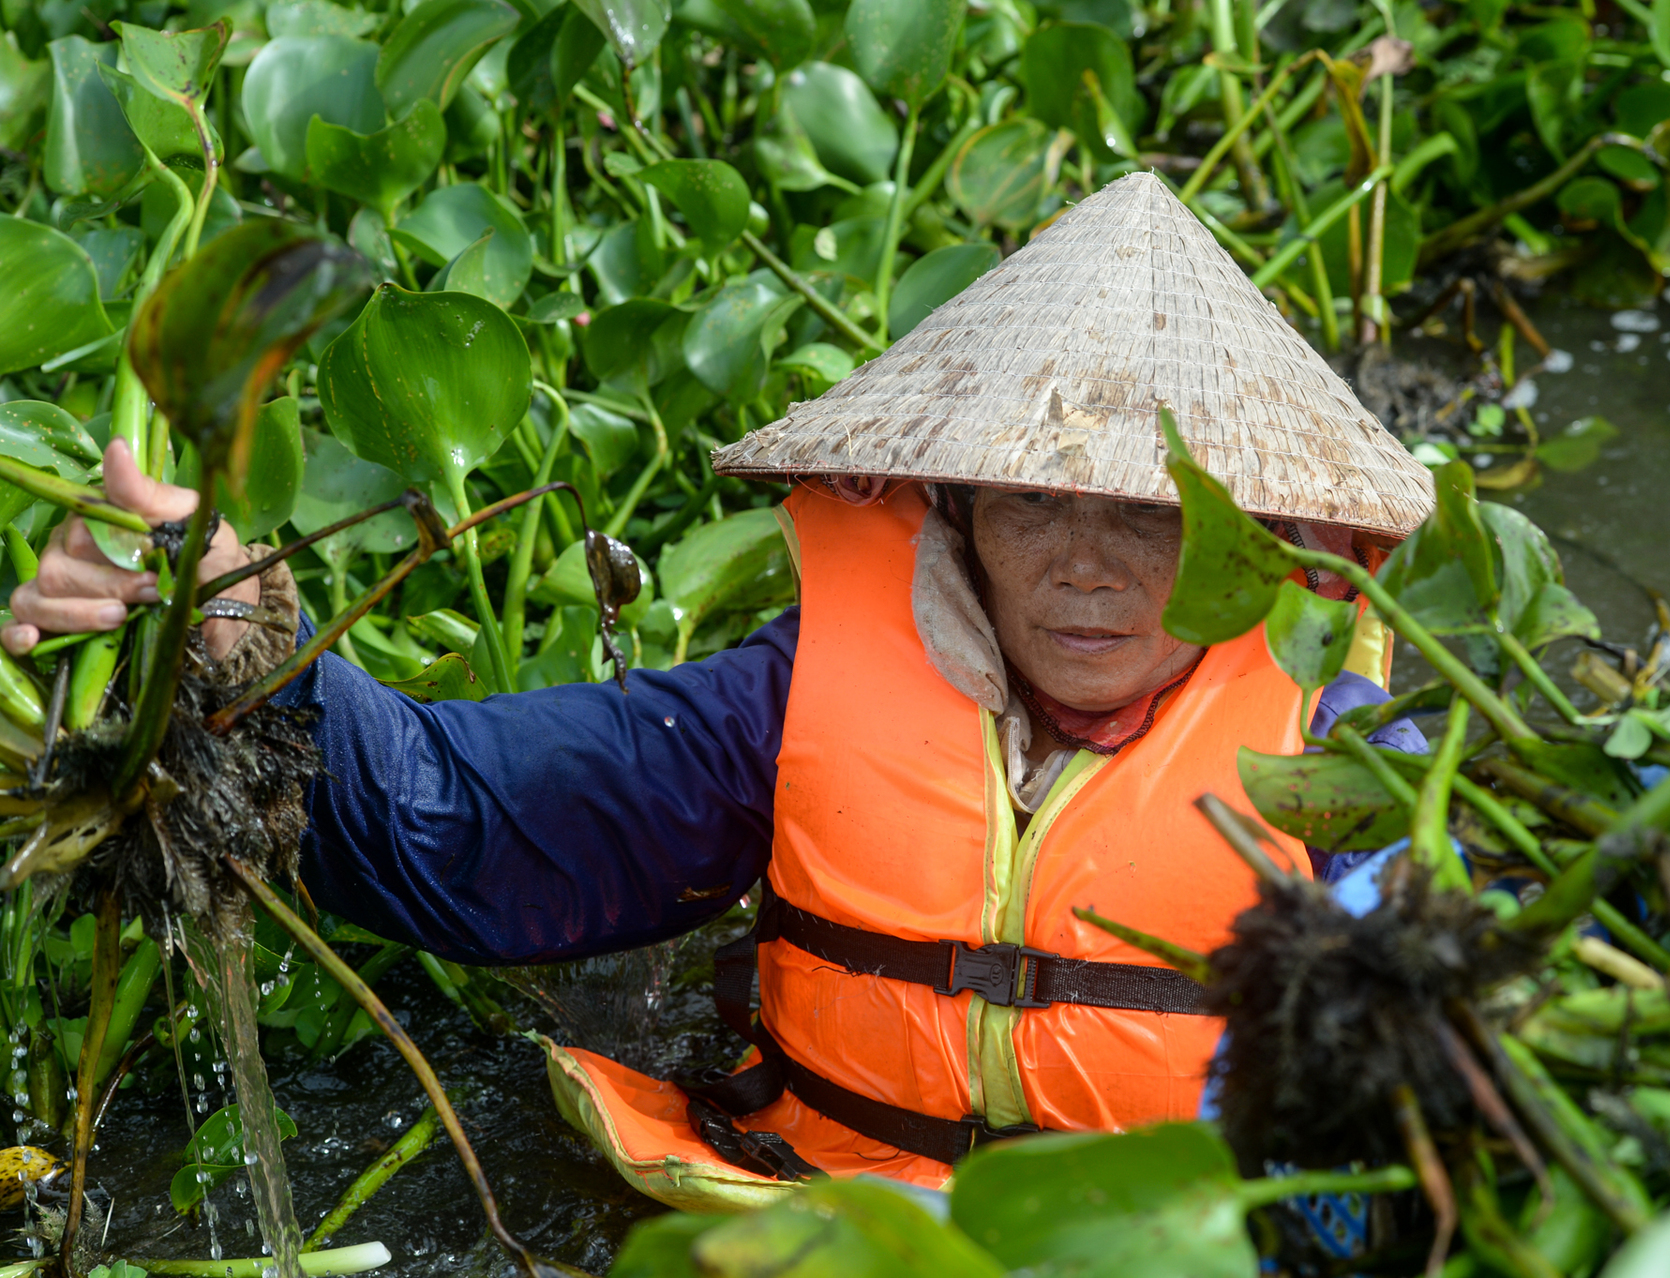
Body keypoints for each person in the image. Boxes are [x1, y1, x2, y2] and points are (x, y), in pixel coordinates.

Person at [2, 173, 1435, 1209]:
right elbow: (465, 830)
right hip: (825, 1218)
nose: (1086, 568)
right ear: (952, 503)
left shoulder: (1345, 756)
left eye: (1150, 514)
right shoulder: (793, 697)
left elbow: (1433, 1103)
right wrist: (246, 628)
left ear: (1255, 531)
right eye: (1035, 504)